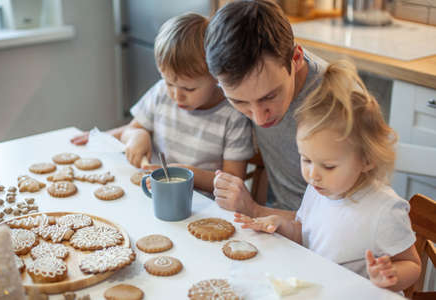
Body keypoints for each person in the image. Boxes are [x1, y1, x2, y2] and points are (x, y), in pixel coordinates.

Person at [234, 60, 421, 292]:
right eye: (306, 159)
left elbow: (412, 263)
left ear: (367, 160)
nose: (313, 174)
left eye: (329, 166)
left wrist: (392, 275)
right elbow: (306, 233)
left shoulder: (384, 209)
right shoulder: (319, 189)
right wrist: (280, 225)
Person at [71, 13, 254, 194]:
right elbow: (130, 130)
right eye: (169, 83)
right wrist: (137, 135)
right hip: (154, 195)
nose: (176, 96)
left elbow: (233, 181)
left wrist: (184, 175)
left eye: (188, 89)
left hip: (202, 208)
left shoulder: (234, 116)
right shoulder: (160, 93)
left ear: (217, 75)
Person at [206, 0, 327, 214]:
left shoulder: (335, 101)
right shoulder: (240, 79)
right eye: (240, 102)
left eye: (269, 96)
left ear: (296, 58)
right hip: (274, 221)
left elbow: (343, 222)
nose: (260, 119)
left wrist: (254, 209)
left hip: (320, 238)